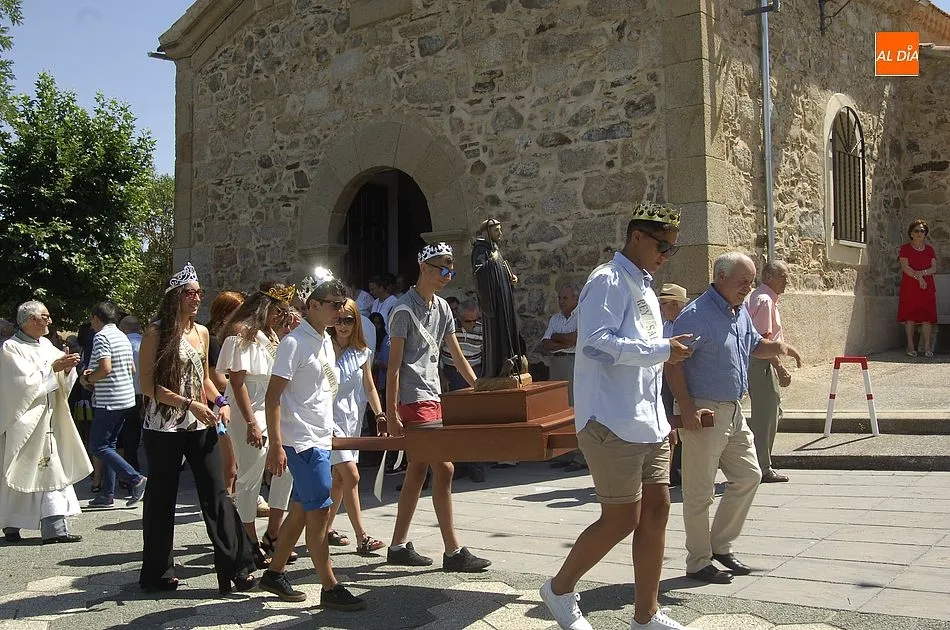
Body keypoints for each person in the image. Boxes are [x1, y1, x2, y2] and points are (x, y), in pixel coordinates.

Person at [540, 203, 694, 630]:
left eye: (673, 249)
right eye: (662, 245)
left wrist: (665, 415)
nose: (666, 254)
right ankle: (558, 590)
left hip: (647, 420)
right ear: (637, 237)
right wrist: (663, 350)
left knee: (658, 509)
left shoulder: (643, 286)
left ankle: (645, 613)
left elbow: (642, 361)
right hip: (610, 418)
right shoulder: (607, 280)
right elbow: (596, 344)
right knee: (622, 517)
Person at [666, 252, 802, 585]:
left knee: (749, 475)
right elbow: (673, 363)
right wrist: (686, 407)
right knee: (699, 492)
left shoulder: (737, 312)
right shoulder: (695, 315)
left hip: (734, 409)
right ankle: (698, 562)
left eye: (751, 281)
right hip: (704, 411)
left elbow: (756, 345)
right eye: (743, 281)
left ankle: (719, 546)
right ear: (721, 276)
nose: (749, 287)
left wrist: (781, 348)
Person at [138, 262, 256, 594]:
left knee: (218, 493)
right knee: (162, 498)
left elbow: (204, 380)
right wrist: (189, 404)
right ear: (175, 297)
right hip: (163, 427)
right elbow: (148, 386)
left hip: (199, 423)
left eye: (200, 292)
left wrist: (221, 402)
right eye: (190, 293)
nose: (197, 298)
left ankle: (237, 566)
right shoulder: (155, 333)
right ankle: (158, 572)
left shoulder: (202, 333)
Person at [259, 268, 366, 610]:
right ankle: (330, 586)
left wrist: (331, 431)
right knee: (319, 512)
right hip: (301, 442)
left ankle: (274, 572)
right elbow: (272, 397)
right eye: (333, 304)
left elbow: (319, 394)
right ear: (313, 305)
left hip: (319, 437)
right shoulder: (294, 343)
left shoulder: (323, 340)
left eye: (341, 304)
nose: (339, 310)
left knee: (305, 508)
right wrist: (276, 445)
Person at [383, 242, 491, 573]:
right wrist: (391, 412)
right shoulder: (403, 310)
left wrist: (478, 387)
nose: (448, 275)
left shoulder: (443, 308)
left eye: (451, 270)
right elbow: (394, 366)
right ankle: (453, 550)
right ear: (425, 268)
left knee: (418, 471)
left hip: (435, 396)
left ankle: (398, 545)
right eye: (443, 268)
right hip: (414, 399)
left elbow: (455, 354)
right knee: (444, 468)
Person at [217, 282, 297, 570]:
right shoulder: (241, 335)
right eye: (278, 310)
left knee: (285, 469)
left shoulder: (273, 336)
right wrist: (251, 422)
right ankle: (248, 539)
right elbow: (236, 384)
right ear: (265, 307)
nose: (281, 316)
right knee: (250, 477)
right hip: (247, 410)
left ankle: (273, 532)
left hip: (270, 409)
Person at [0, 301, 90, 544]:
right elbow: (18, 385)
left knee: (50, 469)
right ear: (30, 320)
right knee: (21, 470)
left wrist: (69, 369)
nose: (50, 321)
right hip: (26, 421)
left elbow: (57, 373)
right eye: (45, 317)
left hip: (50, 418)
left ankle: (54, 528)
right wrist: (53, 369)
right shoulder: (11, 348)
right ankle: (12, 524)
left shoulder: (47, 345)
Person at [325, 298, 387, 554]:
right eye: (338, 319)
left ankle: (323, 529)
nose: (343, 325)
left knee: (339, 481)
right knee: (352, 475)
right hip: (328, 422)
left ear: (356, 322)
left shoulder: (362, 351)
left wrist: (380, 414)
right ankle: (362, 537)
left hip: (352, 421)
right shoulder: (323, 348)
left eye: (348, 320)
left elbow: (369, 386)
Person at [81, 301, 146, 508]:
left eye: (92, 319)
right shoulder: (121, 336)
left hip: (108, 400)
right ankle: (107, 494)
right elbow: (132, 369)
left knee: (98, 446)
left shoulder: (101, 337)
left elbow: (105, 368)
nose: (91, 323)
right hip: (126, 399)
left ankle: (135, 478)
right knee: (109, 445)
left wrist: (88, 379)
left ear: (97, 318)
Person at [747, 261, 793, 484]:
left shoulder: (762, 298)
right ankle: (762, 467)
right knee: (767, 416)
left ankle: (758, 463)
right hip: (761, 362)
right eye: (783, 276)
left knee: (772, 411)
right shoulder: (764, 301)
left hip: (761, 362)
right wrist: (780, 367)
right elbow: (762, 342)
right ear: (768, 277)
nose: (787, 280)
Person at [440, 301, 487, 482]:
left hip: (475, 371)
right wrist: (442, 375)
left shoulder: (481, 330)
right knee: (455, 424)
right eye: (468, 321)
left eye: (476, 320)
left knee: (475, 424)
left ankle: (476, 466)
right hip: (452, 374)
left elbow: (485, 353)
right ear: (459, 317)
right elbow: (437, 353)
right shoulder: (449, 329)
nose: (473, 324)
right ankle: (459, 465)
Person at [472, 218, 524, 378]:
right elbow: (479, 273)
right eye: (496, 230)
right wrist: (492, 261)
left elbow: (501, 270)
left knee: (508, 327)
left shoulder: (495, 250)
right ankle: (499, 366)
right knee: (497, 332)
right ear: (487, 232)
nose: (500, 233)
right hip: (493, 302)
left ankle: (513, 362)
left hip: (504, 299)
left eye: (500, 230)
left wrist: (510, 279)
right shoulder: (480, 251)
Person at [542, 284, 586, 473]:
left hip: (574, 363)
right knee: (560, 410)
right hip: (557, 364)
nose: (561, 302)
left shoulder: (582, 316)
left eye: (565, 298)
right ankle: (564, 453)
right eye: (560, 298)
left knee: (576, 407)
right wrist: (564, 340)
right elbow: (546, 343)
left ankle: (580, 454)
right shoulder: (555, 319)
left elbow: (577, 339)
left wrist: (558, 338)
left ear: (576, 299)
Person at [207, 291, 245, 497]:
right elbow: (217, 379)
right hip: (224, 405)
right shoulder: (213, 341)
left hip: (236, 401)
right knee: (229, 466)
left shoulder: (234, 338)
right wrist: (242, 383)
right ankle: (228, 504)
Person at [658, 284, 689, 487]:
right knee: (669, 424)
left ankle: (679, 469)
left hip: (679, 378)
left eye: (665, 304)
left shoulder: (685, 324)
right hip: (664, 378)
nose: (661, 309)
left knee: (679, 425)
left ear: (676, 304)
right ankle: (671, 471)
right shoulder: (665, 325)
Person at [898, 219, 938, 358]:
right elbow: (905, 267)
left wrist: (923, 274)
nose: (920, 233)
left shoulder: (930, 250)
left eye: (922, 231)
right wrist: (919, 278)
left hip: (926, 287)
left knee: (926, 317)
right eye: (917, 230)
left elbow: (934, 267)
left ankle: (927, 347)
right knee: (910, 316)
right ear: (911, 233)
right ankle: (910, 345)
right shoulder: (905, 249)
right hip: (910, 286)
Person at [118, 316, 144, 475]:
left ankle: (131, 472)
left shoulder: (123, 345)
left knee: (129, 437)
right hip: (148, 395)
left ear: (122, 328)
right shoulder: (148, 343)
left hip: (128, 395)